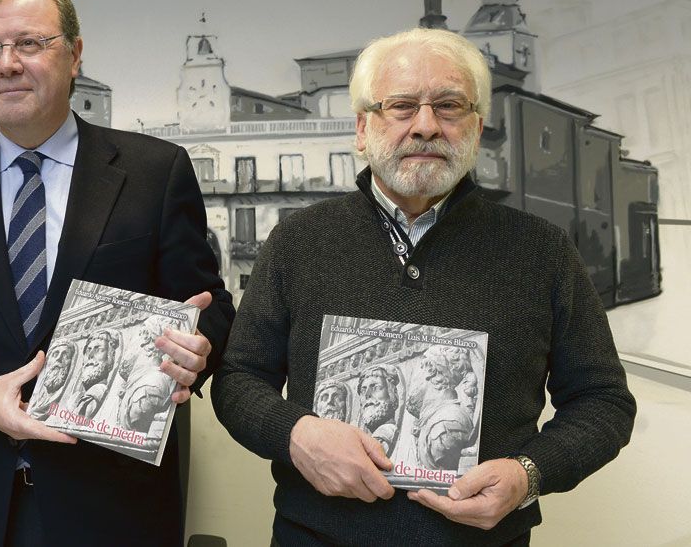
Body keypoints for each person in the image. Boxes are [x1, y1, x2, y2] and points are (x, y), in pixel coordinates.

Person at [211, 28, 636, 545]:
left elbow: (603, 401)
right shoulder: (298, 241)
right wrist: (295, 433)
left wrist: (529, 474)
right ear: (363, 128)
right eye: (402, 106)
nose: (426, 126)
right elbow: (238, 380)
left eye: (450, 106)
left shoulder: (543, 253)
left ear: (477, 129)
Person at [0, 0, 234, 546]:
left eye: (29, 44)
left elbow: (209, 308)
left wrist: (197, 349)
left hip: (114, 505)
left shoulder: (154, 172)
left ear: (74, 55)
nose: (7, 63)